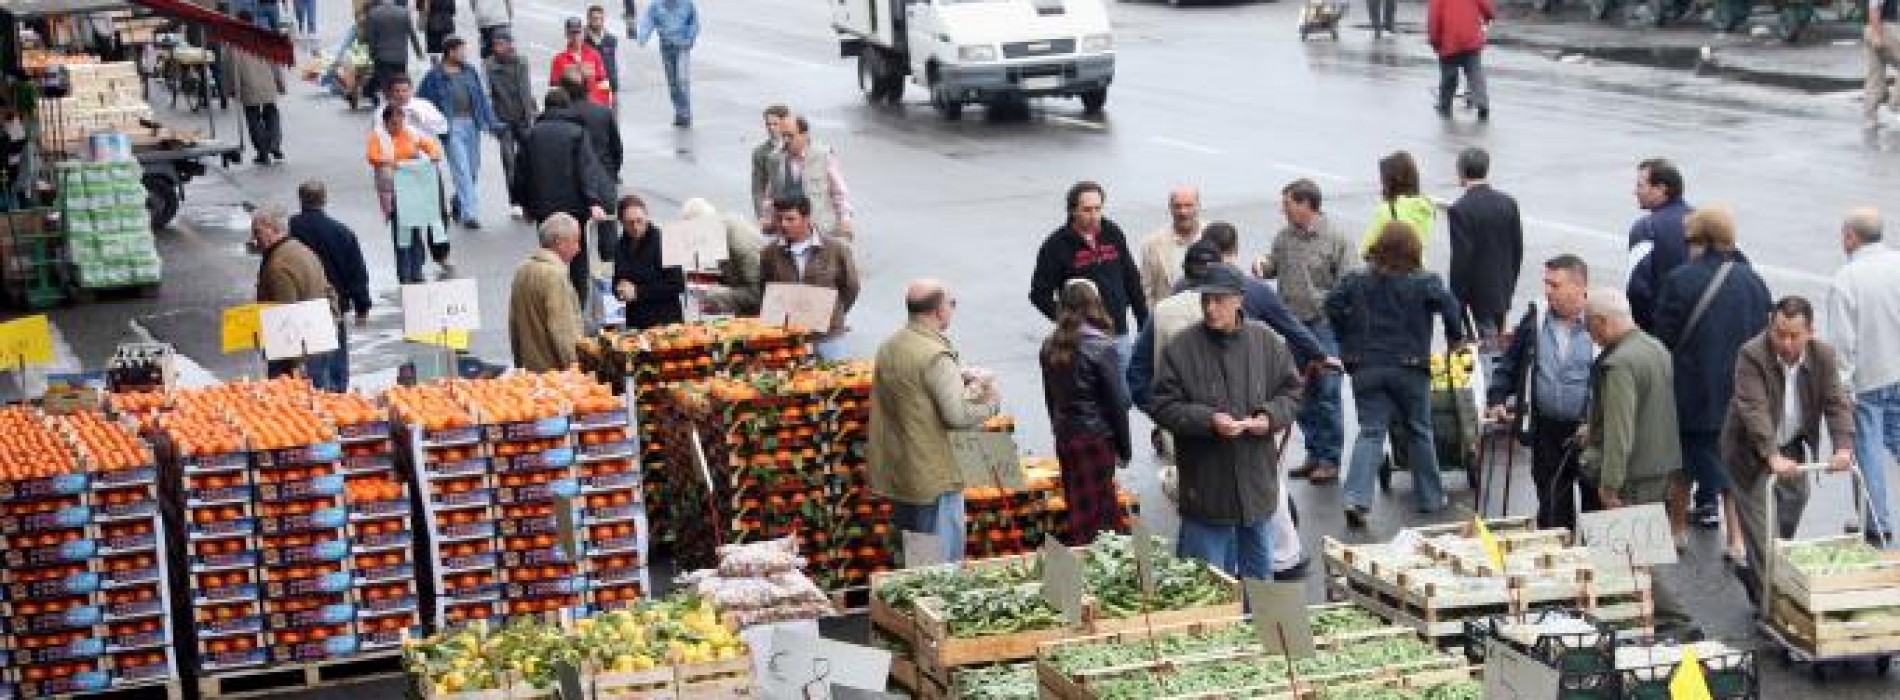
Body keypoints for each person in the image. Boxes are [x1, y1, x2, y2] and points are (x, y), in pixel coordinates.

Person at [1129, 245, 1313, 580]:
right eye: (1205, 300)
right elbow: (1164, 405)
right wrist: (1208, 421)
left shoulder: (1266, 342)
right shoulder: (1182, 348)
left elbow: (1292, 392)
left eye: (1219, 300)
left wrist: (1269, 417)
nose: (1211, 308)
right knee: (1209, 582)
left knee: (1261, 583)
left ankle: (1259, 628)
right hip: (1207, 487)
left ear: (1240, 299)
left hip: (1256, 486)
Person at [1328, 222, 1468, 528]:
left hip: (1366, 366)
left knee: (1371, 431)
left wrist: (1345, 341)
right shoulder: (1424, 281)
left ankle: (1357, 499)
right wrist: (1456, 339)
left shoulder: (1356, 280)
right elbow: (1450, 306)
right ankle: (1431, 498)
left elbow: (1332, 304)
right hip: (1410, 366)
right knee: (1419, 429)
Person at [1722, 297, 1856, 603]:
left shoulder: (1823, 355)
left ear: (1810, 332)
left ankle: (1763, 573)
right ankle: (1768, 602)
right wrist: (1771, 455)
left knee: (1793, 506)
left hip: (1792, 444)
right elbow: (1753, 408)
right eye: (1779, 333)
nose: (1785, 342)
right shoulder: (1752, 353)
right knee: (1760, 532)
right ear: (1771, 326)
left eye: (1794, 335)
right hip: (1749, 451)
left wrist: (1843, 448)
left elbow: (1836, 402)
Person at [1653, 207, 1771, 548]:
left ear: (1699, 240)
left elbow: (1663, 338)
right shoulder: (1752, 280)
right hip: (1742, 391)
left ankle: (1677, 529)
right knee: (1734, 466)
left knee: (1682, 463)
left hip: (1692, 391)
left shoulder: (1680, 280)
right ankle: (1736, 540)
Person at [1580, 287, 1692, 633]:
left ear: (1602, 322)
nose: (1591, 335)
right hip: (1661, 464)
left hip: (1633, 472)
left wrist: (1609, 485)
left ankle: (1677, 621)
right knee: (1638, 552)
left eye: (1590, 327)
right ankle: (1636, 616)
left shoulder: (1618, 364)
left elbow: (1621, 431)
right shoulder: (1654, 348)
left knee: (1635, 555)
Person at [868, 280, 1003, 564]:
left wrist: (956, 379)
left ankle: (917, 605)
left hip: (900, 466)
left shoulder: (889, 347)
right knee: (942, 561)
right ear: (938, 311)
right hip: (935, 472)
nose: (952, 310)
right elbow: (957, 415)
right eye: (951, 304)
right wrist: (990, 402)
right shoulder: (935, 355)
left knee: (916, 554)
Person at [1486, 255, 1599, 531]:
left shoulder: (1602, 319)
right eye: (1546, 284)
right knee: (1551, 506)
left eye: (1555, 285)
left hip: (1592, 431)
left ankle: (1600, 570)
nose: (1547, 291)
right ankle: (1559, 565)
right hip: (1546, 428)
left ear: (1579, 287)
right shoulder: (1535, 318)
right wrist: (1497, 398)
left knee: (1596, 505)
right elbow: (1510, 362)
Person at [1258, 179, 1353, 484]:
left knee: (1326, 393)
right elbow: (1274, 266)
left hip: (1323, 327)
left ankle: (1330, 458)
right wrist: (1263, 264)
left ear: (1306, 205)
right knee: (1298, 393)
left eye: (1287, 204)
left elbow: (1350, 285)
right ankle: (1314, 453)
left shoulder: (1335, 238)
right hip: (1292, 327)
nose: (1283, 210)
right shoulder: (1284, 238)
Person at [1826, 207, 1900, 544]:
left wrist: (1841, 385)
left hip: (1870, 377)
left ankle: (1877, 523)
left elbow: (1843, 342)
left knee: (1867, 449)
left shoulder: (1847, 278)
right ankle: (1875, 520)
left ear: (1851, 237)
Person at [1040, 279, 1133, 546]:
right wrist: (1124, 449)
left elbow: (1050, 398)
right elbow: (1118, 403)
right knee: (1099, 514)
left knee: (1079, 509)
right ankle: (1097, 569)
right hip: (1095, 440)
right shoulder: (1102, 346)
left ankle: (1088, 562)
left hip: (1067, 438)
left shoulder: (1050, 345)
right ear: (1094, 305)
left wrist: (1057, 430)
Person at [512, 89, 615, 305]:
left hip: (544, 206)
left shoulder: (531, 135)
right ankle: (577, 302)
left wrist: (523, 203)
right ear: (566, 106)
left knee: (550, 254)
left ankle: (553, 298)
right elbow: (586, 170)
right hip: (575, 206)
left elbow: (521, 173)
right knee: (578, 256)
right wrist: (593, 201)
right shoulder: (577, 132)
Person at [1030, 182, 1146, 343]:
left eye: (1098, 209)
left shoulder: (1112, 232)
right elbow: (1039, 295)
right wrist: (1069, 322)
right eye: (1087, 210)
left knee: (1123, 368)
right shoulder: (1056, 245)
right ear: (1073, 211)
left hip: (1119, 332)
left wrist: (1143, 321)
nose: (1094, 215)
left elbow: (1131, 278)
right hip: (1080, 339)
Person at [288, 181, 371, 392]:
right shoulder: (342, 232)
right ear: (324, 200)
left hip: (301, 303)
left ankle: (315, 397)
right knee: (336, 359)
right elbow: (357, 271)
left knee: (309, 359)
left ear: (300, 200)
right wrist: (362, 306)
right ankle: (337, 397)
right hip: (334, 305)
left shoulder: (290, 230)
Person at [759, 196, 861, 359]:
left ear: (806, 219)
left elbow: (851, 287)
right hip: (788, 337)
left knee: (835, 379)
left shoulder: (836, 250)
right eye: (779, 219)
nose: (783, 224)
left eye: (790, 219)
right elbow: (765, 292)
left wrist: (834, 312)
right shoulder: (769, 254)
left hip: (828, 336)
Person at [251, 204, 340, 386]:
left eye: (257, 232)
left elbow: (285, 320)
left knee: (293, 411)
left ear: (273, 230)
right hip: (317, 344)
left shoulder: (278, 265)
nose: (254, 239)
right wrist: (333, 324)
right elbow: (329, 290)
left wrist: (295, 366)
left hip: (295, 357)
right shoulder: (302, 250)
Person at [419, 36, 501, 229]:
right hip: (451, 126)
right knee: (461, 169)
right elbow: (422, 102)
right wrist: (428, 126)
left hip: (472, 124)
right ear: (451, 52)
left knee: (472, 170)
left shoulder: (470, 71)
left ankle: (459, 200)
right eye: (462, 50)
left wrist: (492, 123)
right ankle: (470, 214)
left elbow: (481, 99)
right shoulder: (435, 76)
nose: (465, 54)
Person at [1446, 147, 1523, 338]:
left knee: (1484, 353)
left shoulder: (1460, 209)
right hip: (1502, 292)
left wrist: (1455, 300)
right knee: (1498, 344)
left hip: (1476, 298)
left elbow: (1461, 261)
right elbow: (1517, 250)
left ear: (1461, 172)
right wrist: (1508, 288)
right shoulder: (1508, 203)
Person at [366, 103, 448, 284]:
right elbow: (372, 156)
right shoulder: (377, 136)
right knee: (401, 233)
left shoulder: (411, 133)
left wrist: (433, 154)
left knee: (415, 230)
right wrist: (392, 161)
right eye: (393, 123)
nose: (397, 126)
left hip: (412, 189)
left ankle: (417, 270)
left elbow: (430, 146)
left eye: (400, 122)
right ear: (386, 122)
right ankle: (404, 273)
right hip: (392, 192)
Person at [510, 214, 587, 372]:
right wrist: (578, 370)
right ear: (559, 242)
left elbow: (513, 321)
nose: (578, 248)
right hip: (555, 373)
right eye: (575, 241)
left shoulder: (522, 269)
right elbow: (563, 331)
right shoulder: (555, 276)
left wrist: (519, 363)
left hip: (530, 369)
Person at [1626, 158, 1693, 332]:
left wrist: (1646, 332)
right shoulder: (1705, 222)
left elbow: (1636, 289)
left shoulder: (1646, 228)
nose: (1635, 192)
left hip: (1662, 332)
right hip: (1700, 329)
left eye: (1641, 186)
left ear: (1661, 189)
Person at [765, 116, 854, 239]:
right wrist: (769, 219)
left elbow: (838, 192)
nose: (786, 140)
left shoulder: (823, 155)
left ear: (805, 135)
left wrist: (845, 220)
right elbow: (771, 196)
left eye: (790, 136)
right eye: (783, 135)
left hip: (820, 229)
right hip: (787, 231)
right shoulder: (774, 159)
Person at [680, 197, 767, 315]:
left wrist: (718, 299)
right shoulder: (720, 232)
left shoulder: (739, 243)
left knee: (712, 294)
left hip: (762, 316)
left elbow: (758, 294)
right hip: (748, 312)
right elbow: (734, 280)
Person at [611, 194, 685, 330]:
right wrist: (619, 289)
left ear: (647, 216)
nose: (635, 227)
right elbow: (617, 279)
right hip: (636, 321)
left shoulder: (665, 240)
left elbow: (677, 284)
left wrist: (638, 292)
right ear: (621, 222)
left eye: (640, 221)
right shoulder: (620, 246)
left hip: (664, 321)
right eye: (630, 222)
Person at [485, 30, 535, 217]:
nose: (497, 47)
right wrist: (492, 122)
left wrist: (531, 114)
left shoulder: (521, 61)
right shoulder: (489, 65)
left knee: (528, 159)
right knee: (509, 161)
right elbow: (488, 94)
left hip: (523, 118)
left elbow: (526, 90)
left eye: (501, 43)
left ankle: (529, 196)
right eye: (495, 44)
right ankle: (514, 200)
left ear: (510, 44)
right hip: (503, 120)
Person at [225, 14, 287, 166]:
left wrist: (231, 88)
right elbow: (275, 63)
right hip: (267, 83)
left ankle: (263, 151)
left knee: (253, 117)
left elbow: (229, 68)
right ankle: (274, 144)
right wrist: (280, 83)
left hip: (248, 85)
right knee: (272, 112)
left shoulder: (232, 43)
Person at [636, 0, 700, 127]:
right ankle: (679, 112)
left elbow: (694, 23)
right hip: (666, 47)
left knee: (682, 80)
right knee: (673, 83)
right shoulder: (656, 5)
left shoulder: (687, 4)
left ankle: (686, 114)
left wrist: (689, 39)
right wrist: (643, 36)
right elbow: (648, 21)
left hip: (682, 47)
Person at [1138, 187, 1202, 311]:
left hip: (1206, 318)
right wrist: (1154, 320)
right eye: (1178, 206)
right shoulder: (1152, 244)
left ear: (1198, 206)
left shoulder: (1212, 236)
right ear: (1170, 208)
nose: (1183, 212)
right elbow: (1146, 290)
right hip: (1168, 320)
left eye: (1189, 206)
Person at [1427, 0, 1494, 120]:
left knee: (1449, 76)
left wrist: (1435, 41)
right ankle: (1482, 102)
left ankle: (1445, 104)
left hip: (1449, 39)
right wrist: (1489, 16)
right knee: (1475, 73)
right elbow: (1486, 7)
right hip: (1471, 36)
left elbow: (1434, 19)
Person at [1361, 151, 1435, 253]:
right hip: (1417, 264)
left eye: (1383, 179)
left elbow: (1366, 249)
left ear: (1394, 180)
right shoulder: (1427, 207)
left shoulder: (1387, 210)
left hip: (1390, 266)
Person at [560, 71, 624, 183]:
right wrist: (612, 173)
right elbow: (616, 149)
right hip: (603, 176)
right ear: (587, 87)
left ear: (564, 90)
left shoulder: (559, 115)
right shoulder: (604, 112)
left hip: (572, 180)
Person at [361, 0, 423, 104]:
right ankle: (400, 103)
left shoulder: (373, 13)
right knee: (399, 81)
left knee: (386, 83)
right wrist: (418, 52)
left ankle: (389, 105)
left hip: (382, 56)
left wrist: (371, 53)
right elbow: (412, 34)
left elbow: (370, 37)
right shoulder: (403, 12)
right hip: (400, 56)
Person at [551, 17, 613, 107]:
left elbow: (603, 83)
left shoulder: (594, 55)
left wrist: (604, 106)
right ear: (566, 34)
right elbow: (555, 88)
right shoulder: (558, 59)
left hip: (592, 106)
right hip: (569, 107)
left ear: (583, 33)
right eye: (572, 33)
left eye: (578, 32)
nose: (575, 36)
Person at [375, 74, 448, 140]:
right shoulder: (382, 111)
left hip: (424, 150)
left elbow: (443, 128)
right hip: (397, 150)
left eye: (404, 91)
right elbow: (378, 134)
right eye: (397, 91)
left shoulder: (424, 105)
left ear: (411, 90)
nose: (401, 94)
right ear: (390, 92)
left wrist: (423, 119)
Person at [751, 106, 791, 222]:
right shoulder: (760, 152)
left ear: (785, 123)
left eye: (775, 124)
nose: (771, 128)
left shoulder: (797, 145)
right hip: (776, 208)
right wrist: (761, 217)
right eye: (768, 124)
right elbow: (758, 189)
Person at [1866, 0, 1900, 130]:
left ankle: (1870, 119)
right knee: (1875, 74)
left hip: (1874, 28)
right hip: (1884, 28)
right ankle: (1896, 103)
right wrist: (1877, 36)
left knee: (1875, 74)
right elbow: (1874, 8)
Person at [585, 5, 622, 95]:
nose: (598, 21)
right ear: (588, 19)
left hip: (606, 85)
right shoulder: (582, 39)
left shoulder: (611, 40)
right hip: (588, 87)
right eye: (595, 19)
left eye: (600, 19)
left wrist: (615, 88)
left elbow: (612, 65)